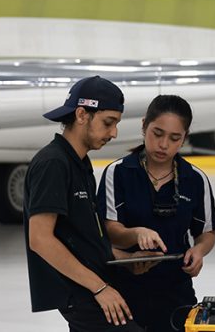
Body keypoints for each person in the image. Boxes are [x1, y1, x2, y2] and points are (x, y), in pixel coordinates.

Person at [24, 75, 149, 331]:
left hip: (90, 285)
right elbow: (40, 239)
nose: (114, 133)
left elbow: (83, 238)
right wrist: (100, 288)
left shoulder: (79, 163)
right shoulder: (53, 164)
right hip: (79, 291)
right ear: (82, 114)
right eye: (108, 122)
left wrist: (127, 258)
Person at [98, 95, 215, 331]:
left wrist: (199, 251)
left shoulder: (195, 179)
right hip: (125, 290)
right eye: (157, 133)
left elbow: (206, 233)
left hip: (176, 291)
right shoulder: (118, 173)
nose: (164, 145)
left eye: (175, 138)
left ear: (184, 139)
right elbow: (110, 231)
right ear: (144, 125)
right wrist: (136, 234)